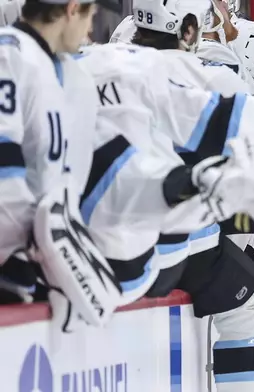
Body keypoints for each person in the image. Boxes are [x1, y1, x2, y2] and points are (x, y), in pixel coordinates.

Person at [0, 0, 127, 329]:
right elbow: (4, 170)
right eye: (90, 13)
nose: (91, 26)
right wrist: (45, 253)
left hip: (33, 263)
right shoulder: (9, 55)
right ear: (72, 9)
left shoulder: (67, 72)